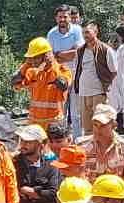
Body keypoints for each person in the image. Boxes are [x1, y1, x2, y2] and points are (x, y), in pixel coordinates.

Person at [80, 103, 124, 199]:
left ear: (114, 125)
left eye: (103, 126)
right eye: (95, 125)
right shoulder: (81, 146)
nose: (98, 129)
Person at [14, 38, 73, 131]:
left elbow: (62, 84)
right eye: (31, 58)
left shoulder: (62, 70)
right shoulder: (32, 72)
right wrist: (27, 64)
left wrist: (52, 65)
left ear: (47, 56)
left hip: (54, 123)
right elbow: (15, 83)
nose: (33, 61)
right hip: (34, 123)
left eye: (36, 58)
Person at [46, 5, 85, 136]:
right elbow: (49, 56)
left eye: (65, 16)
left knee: (76, 112)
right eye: (60, 17)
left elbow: (78, 52)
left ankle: (77, 139)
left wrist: (59, 54)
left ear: (70, 17)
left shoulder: (77, 30)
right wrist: (67, 53)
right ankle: (60, 139)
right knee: (60, 110)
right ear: (56, 18)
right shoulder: (51, 34)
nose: (62, 19)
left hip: (76, 73)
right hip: (59, 75)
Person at [74, 21, 117, 134]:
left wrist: (105, 85)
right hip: (83, 92)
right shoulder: (80, 51)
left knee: (101, 124)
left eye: (87, 32)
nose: (85, 35)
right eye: (83, 33)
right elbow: (77, 70)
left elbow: (113, 71)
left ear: (96, 32)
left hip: (99, 92)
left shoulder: (105, 49)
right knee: (87, 127)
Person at [13, 124, 60, 203]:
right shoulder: (13, 164)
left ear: (40, 144)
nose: (23, 144)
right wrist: (39, 192)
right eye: (22, 141)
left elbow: (53, 193)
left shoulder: (51, 165)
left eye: (28, 142)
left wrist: (29, 191)